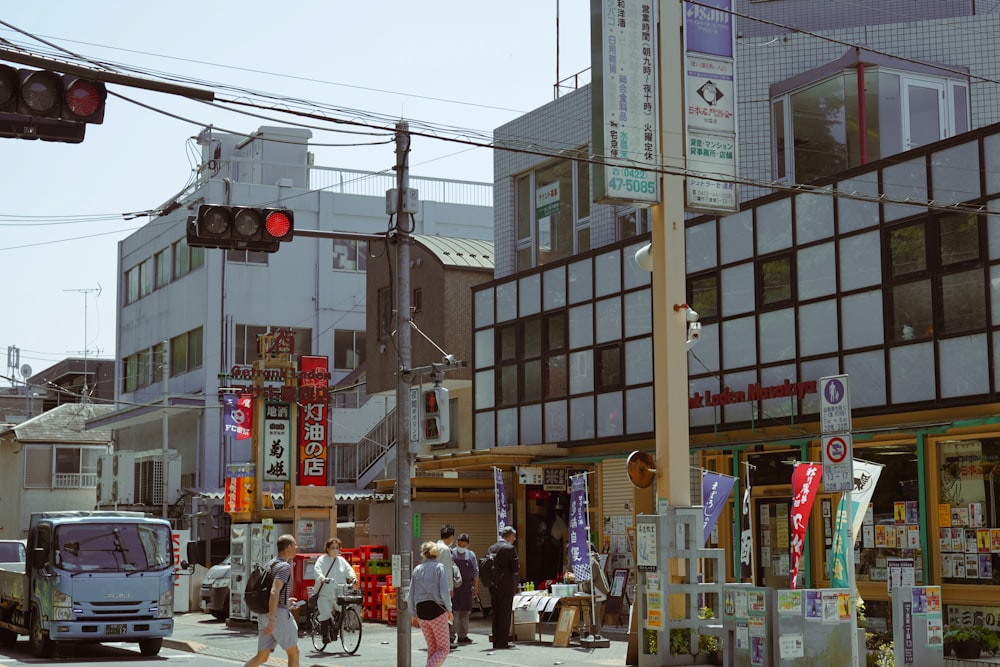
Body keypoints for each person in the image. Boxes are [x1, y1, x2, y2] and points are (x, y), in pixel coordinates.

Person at [244, 534, 300, 667]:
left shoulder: (270, 563)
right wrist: (272, 620)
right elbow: (274, 591)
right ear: (289, 547)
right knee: (294, 653)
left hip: (264, 614)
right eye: (295, 545)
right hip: (276, 616)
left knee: (262, 657)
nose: (297, 548)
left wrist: (286, 602)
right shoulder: (284, 567)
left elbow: (273, 592)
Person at [407, 541, 454, 667]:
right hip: (436, 610)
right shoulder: (439, 567)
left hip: (421, 611)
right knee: (444, 648)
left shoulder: (417, 569)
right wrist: (449, 610)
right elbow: (444, 592)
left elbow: (410, 594)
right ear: (436, 553)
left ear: (424, 554)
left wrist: (413, 614)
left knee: (432, 649)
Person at [313, 536, 357, 643]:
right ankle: (324, 635)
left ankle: (335, 630)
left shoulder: (341, 560)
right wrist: (322, 578)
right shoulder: (322, 560)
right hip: (324, 593)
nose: (335, 550)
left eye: (337, 547)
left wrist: (353, 578)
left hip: (339, 592)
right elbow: (317, 570)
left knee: (341, 611)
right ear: (327, 548)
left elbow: (349, 570)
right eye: (333, 547)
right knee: (326, 613)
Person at [488, 526, 519, 650]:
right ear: (510, 536)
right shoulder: (510, 548)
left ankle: (496, 640)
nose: (514, 539)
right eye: (514, 537)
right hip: (506, 585)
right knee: (505, 613)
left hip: (493, 586)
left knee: (496, 613)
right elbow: (515, 569)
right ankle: (503, 641)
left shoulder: (492, 548)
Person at [451, 533, 479, 644]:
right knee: (454, 612)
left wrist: (476, 588)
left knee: (465, 612)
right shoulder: (451, 553)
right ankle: (451, 636)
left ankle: (463, 635)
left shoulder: (471, 555)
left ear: (468, 545)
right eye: (459, 544)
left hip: (467, 587)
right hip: (454, 587)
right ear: (456, 542)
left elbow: (476, 573)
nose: (461, 547)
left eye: (463, 545)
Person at [436, 524, 458, 647]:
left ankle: (440, 640)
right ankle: (447, 640)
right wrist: (450, 588)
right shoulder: (445, 549)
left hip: (434, 587)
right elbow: (446, 570)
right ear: (450, 537)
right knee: (447, 613)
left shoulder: (434, 547)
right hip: (443, 587)